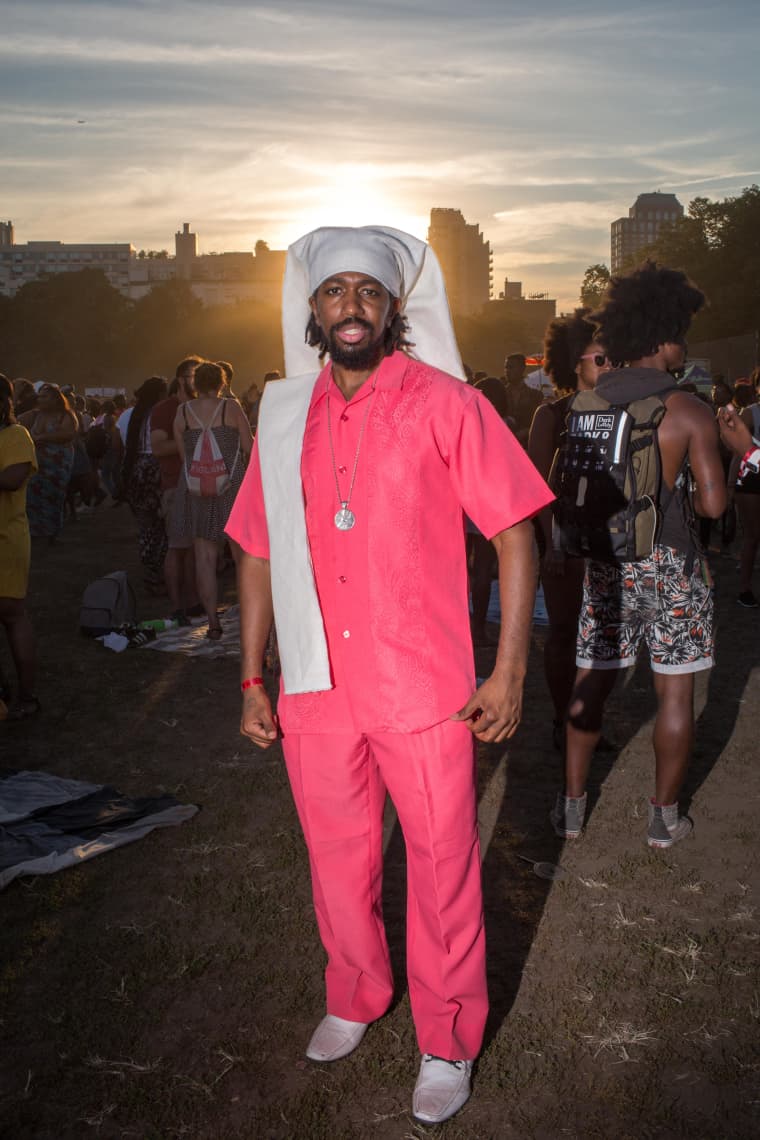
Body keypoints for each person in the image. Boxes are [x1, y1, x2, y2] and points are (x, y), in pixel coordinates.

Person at [226, 226, 553, 1124]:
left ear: (395, 308)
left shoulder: (449, 403)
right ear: (312, 310)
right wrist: (252, 677)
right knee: (337, 856)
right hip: (315, 685)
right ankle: (356, 993)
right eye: (334, 292)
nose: (351, 308)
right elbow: (254, 547)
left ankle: (446, 1036)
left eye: (369, 292)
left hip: (425, 685)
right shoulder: (283, 413)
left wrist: (509, 668)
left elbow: (516, 530)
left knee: (444, 863)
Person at [550, 263, 726, 849]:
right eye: (680, 334)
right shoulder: (688, 408)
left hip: (606, 562)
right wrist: (730, 448)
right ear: (659, 335)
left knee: (592, 678)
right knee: (675, 692)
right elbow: (712, 507)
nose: (685, 346)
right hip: (671, 564)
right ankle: (664, 816)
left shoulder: (586, 404)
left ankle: (572, 807)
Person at [528, 310, 611, 749]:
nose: (609, 365)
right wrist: (553, 545)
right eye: (599, 358)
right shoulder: (552, 415)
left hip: (610, 544)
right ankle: (564, 720)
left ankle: (588, 721)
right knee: (564, 632)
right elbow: (538, 489)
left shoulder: (623, 413)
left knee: (604, 638)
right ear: (572, 362)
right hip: (565, 544)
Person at [173, 361, 251, 638]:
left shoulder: (182, 412)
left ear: (195, 384)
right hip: (232, 487)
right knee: (243, 557)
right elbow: (248, 446)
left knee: (204, 556)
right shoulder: (231, 408)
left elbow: (184, 457)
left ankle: (212, 622)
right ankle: (249, 619)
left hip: (198, 490)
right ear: (221, 383)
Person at [150, 356, 202, 622]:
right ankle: (176, 605)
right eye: (194, 375)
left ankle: (193, 602)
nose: (199, 380)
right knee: (178, 547)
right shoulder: (164, 409)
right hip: (175, 485)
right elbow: (158, 447)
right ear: (181, 379)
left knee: (196, 548)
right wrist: (192, 440)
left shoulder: (203, 406)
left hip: (201, 484)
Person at [0, 374, 39, 720]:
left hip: (6, 541)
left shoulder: (15, 436)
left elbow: (12, 479)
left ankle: (27, 695)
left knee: (11, 615)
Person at [120, 377, 168, 593]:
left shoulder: (133, 414)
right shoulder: (160, 412)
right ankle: (158, 570)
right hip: (156, 467)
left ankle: (150, 565)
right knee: (161, 523)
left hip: (138, 468)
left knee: (146, 524)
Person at [25, 384, 78, 542]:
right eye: (39, 396)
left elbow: (68, 434)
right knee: (33, 494)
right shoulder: (39, 415)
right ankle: (35, 530)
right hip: (39, 461)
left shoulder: (66, 415)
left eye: (44, 397)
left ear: (55, 399)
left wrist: (43, 438)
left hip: (58, 464)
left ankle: (52, 531)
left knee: (54, 495)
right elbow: (33, 434)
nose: (40, 400)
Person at [726, 383, 760, 607]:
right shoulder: (752, 412)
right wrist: (730, 483)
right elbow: (736, 446)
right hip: (752, 477)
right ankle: (745, 589)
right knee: (753, 534)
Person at [503, 352, 542, 446]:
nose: (507, 371)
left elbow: (538, 424)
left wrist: (524, 433)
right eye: (506, 367)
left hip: (526, 445)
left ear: (522, 369)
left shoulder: (535, 395)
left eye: (511, 367)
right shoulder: (500, 394)